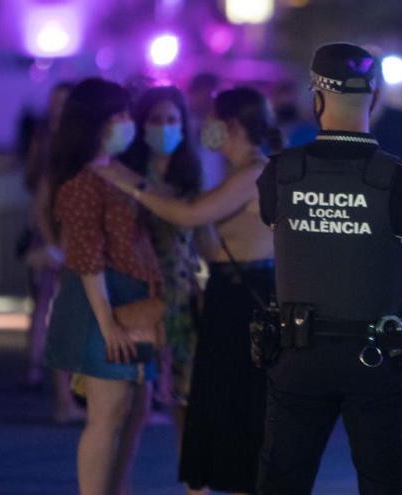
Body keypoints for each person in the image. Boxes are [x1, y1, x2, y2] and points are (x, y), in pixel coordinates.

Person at [254, 42, 402, 495]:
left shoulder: (280, 175)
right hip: (379, 359)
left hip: (297, 352)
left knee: (282, 482)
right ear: (377, 97)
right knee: (387, 482)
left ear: (317, 97)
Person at [95, 86, 280, 494]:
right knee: (212, 403)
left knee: (232, 407)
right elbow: (210, 244)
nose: (204, 126)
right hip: (225, 293)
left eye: (212, 118)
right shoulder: (235, 171)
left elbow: (190, 215)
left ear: (230, 125)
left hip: (243, 298)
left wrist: (133, 185)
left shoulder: (254, 171)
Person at [43, 78, 161, 495]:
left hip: (130, 296)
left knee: (134, 408)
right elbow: (88, 258)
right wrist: (108, 323)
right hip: (103, 302)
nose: (127, 123)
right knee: (108, 412)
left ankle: (118, 487)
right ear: (92, 123)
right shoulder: (82, 184)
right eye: (117, 116)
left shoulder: (118, 173)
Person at [118, 85, 203, 481]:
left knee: (186, 402)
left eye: (172, 120)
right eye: (155, 120)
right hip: (141, 290)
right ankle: (116, 484)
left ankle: (194, 487)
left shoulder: (193, 172)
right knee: (132, 403)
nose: (164, 128)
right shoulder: (128, 173)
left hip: (183, 294)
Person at [20, 82, 84, 423]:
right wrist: (52, 242)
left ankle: (63, 391)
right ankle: (59, 391)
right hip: (60, 241)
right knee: (55, 309)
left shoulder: (64, 142)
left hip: (64, 240)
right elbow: (39, 191)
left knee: (60, 311)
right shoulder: (54, 143)